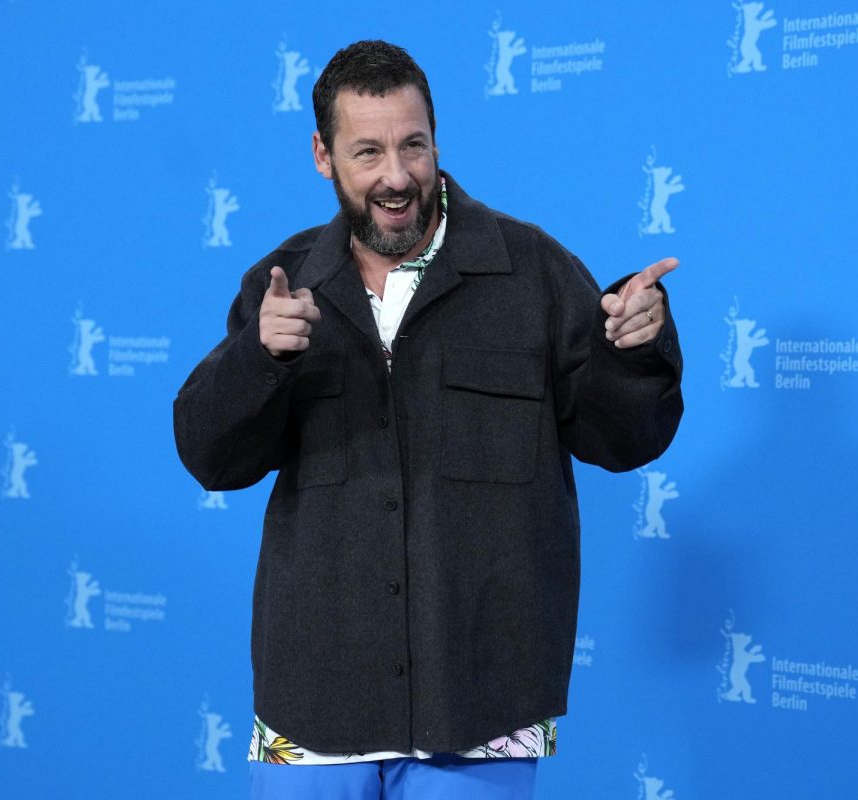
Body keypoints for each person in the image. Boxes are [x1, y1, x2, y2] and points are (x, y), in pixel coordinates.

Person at [173, 39, 683, 800]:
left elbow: (621, 438)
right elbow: (213, 457)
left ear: (437, 140)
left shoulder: (533, 268)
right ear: (323, 155)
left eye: (414, 146)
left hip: (481, 700)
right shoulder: (283, 286)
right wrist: (259, 357)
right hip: (313, 703)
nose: (397, 176)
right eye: (368, 151)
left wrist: (636, 351)